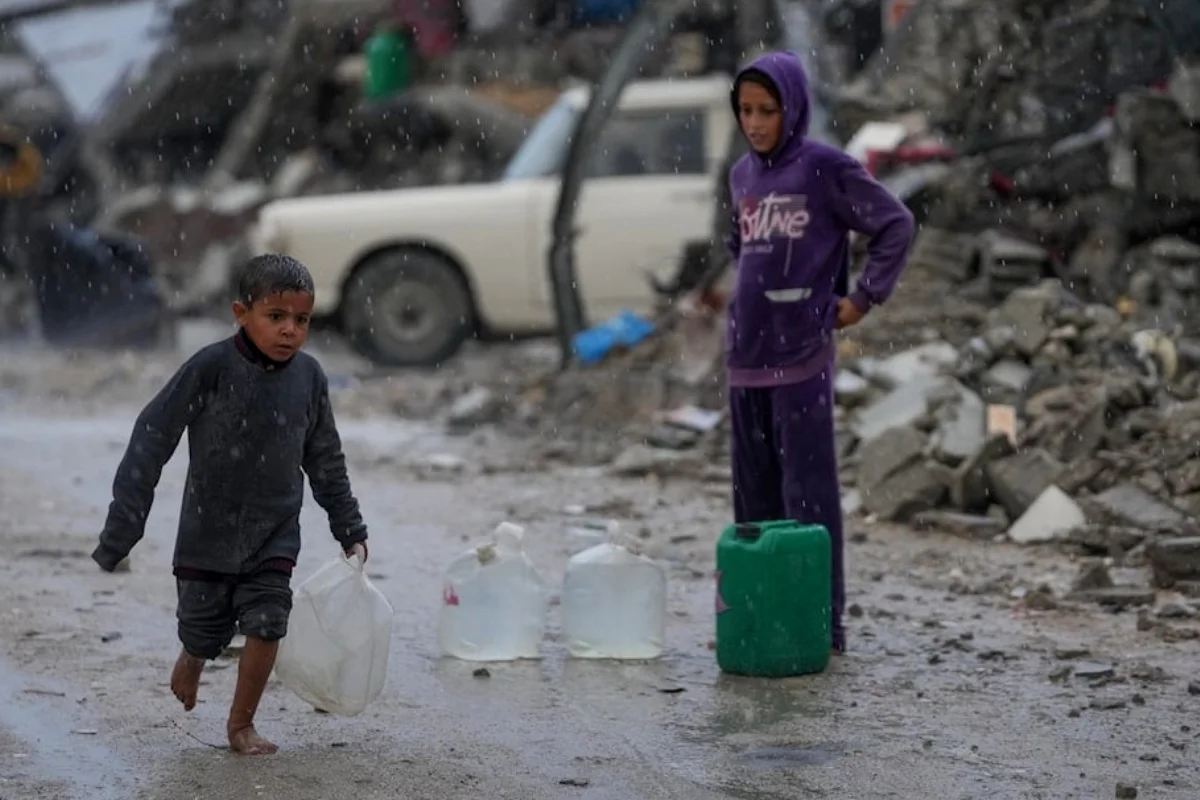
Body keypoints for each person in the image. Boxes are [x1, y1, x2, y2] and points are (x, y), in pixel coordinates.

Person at [91, 254, 370, 755]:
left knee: (268, 619)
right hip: (208, 529)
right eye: (276, 316)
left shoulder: (309, 378)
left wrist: (348, 527)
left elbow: (325, 457)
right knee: (204, 628)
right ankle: (194, 655)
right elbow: (153, 434)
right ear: (241, 313)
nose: (290, 330)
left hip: (274, 531)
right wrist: (123, 528)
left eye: (302, 320)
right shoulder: (211, 368)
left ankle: (241, 724)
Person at [725, 51, 915, 654]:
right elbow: (740, 248)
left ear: (793, 108)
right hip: (746, 359)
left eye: (767, 110)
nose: (755, 123)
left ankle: (818, 625)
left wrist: (862, 298)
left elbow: (895, 224)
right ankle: (761, 619)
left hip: (801, 355)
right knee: (753, 503)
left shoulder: (824, 168)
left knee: (808, 500)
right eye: (745, 111)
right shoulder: (741, 176)